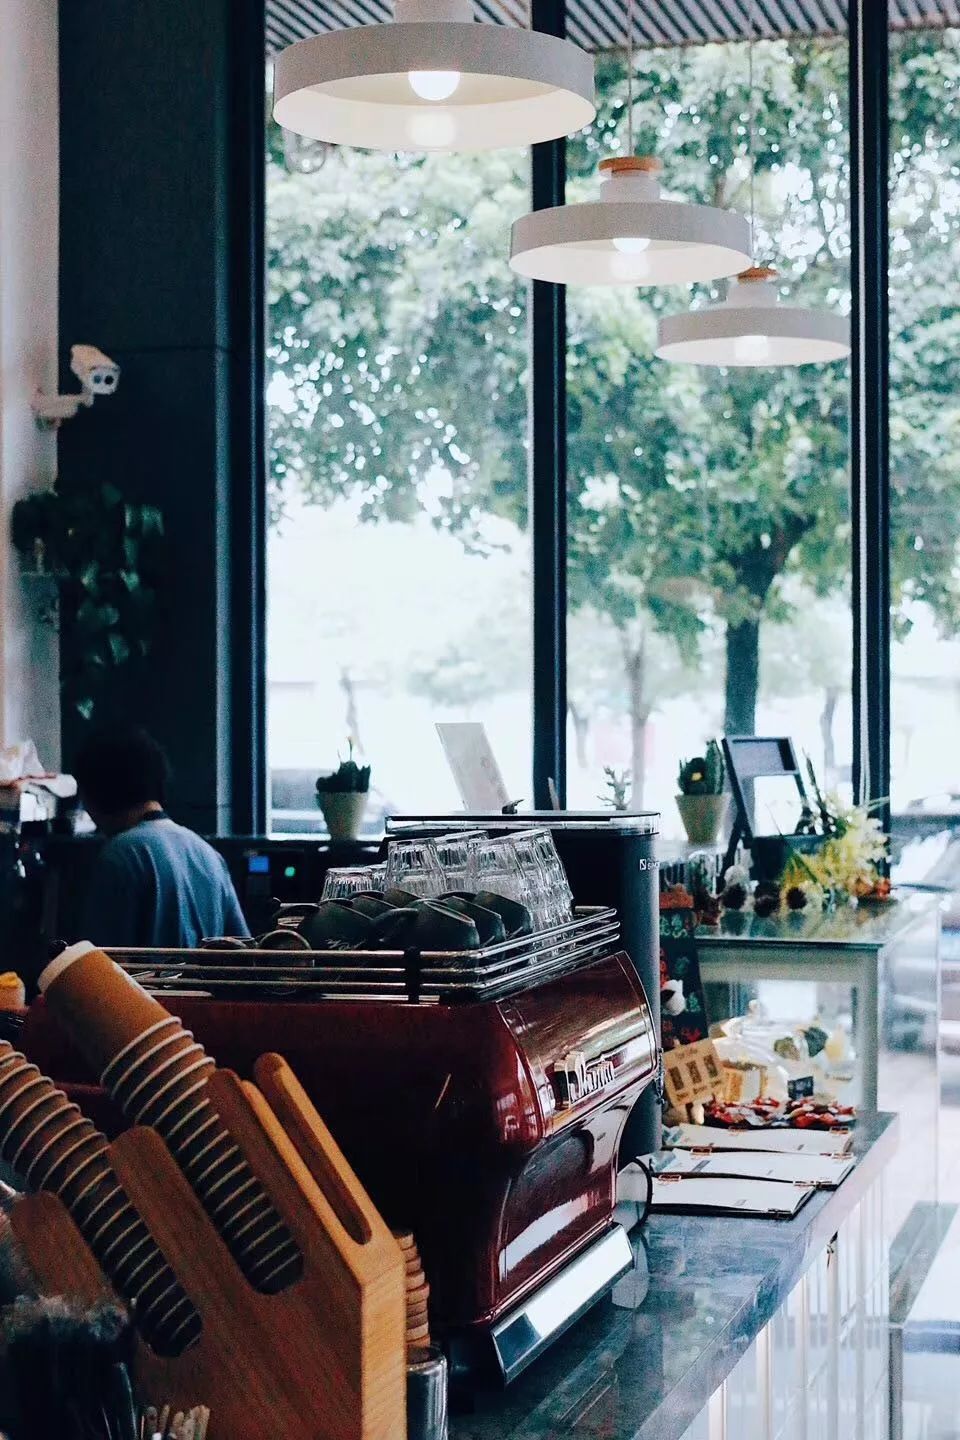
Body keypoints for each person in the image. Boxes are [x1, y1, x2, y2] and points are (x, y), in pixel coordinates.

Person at [72, 725, 250, 948]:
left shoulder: (121, 855)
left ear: (97, 791)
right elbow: (242, 950)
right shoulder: (209, 855)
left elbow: (99, 962)